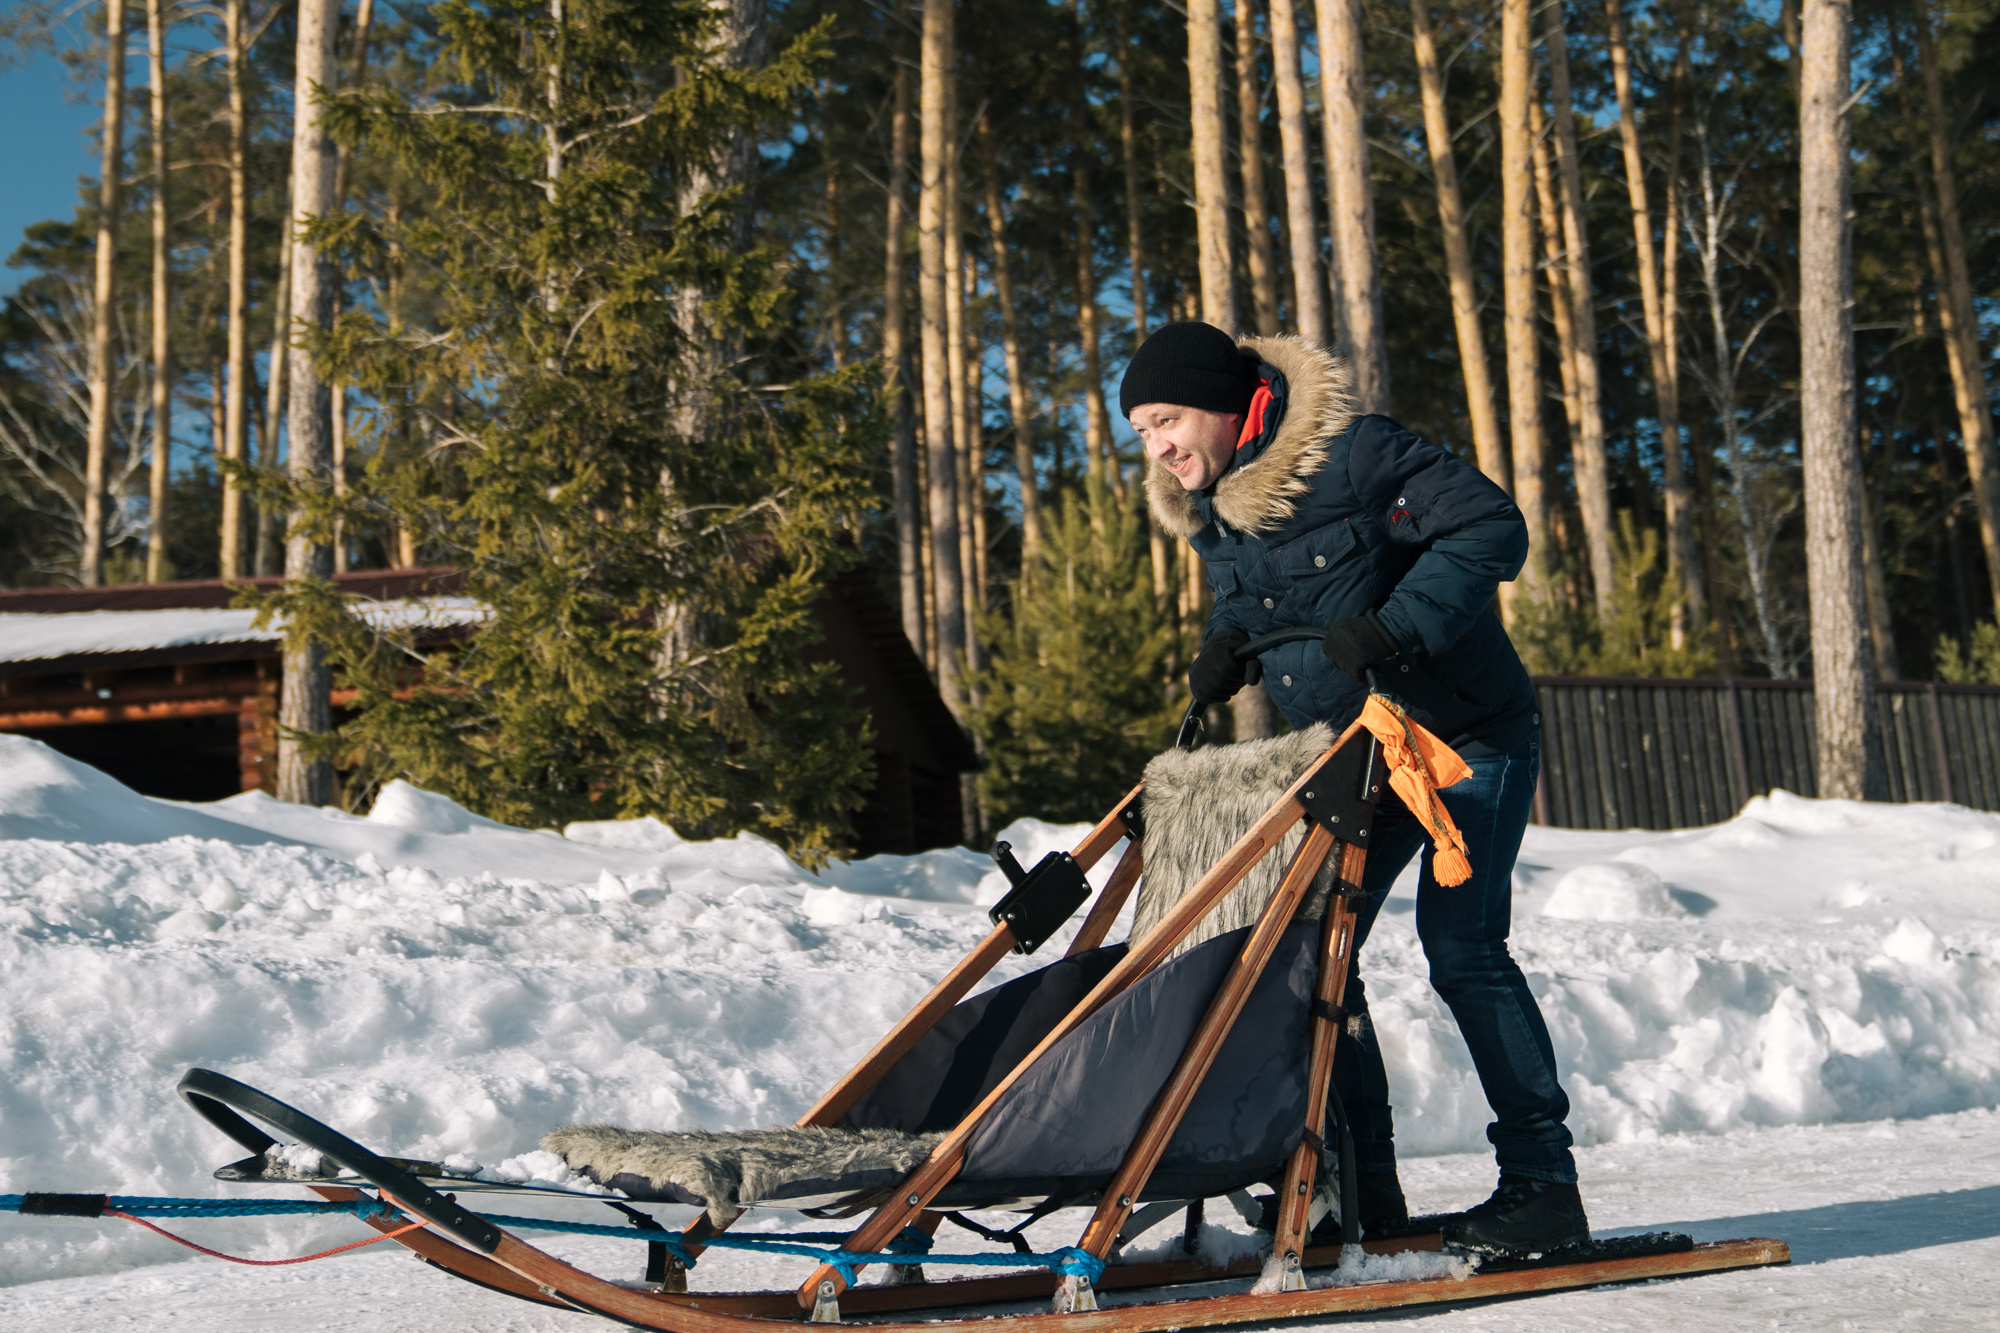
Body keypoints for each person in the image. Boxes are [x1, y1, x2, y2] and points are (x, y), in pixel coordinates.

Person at [1121, 320, 1585, 1258]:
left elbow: (1491, 526)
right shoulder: (1216, 504)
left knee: (1463, 949)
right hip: (1359, 752)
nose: (1157, 446)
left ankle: (1544, 1186)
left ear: (1224, 405)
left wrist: (1398, 625)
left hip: (1461, 739)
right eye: (1140, 431)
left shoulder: (1356, 452)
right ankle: (1358, 1189)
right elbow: (1251, 593)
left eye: (1166, 419)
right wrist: (1226, 646)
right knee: (1311, 953)